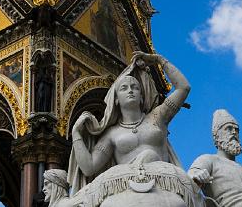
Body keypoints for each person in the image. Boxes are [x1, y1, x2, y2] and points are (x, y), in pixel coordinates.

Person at [69, 51, 189, 193]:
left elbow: (183, 87)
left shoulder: (158, 117)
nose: (130, 90)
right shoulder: (111, 134)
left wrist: (158, 59)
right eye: (124, 88)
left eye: (135, 87)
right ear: (116, 99)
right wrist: (76, 133)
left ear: (142, 97)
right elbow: (89, 167)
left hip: (165, 184)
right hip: (130, 190)